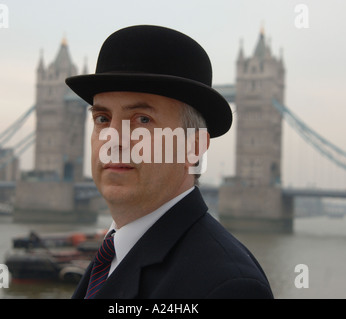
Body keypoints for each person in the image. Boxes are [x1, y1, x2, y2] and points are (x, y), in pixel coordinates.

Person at [65, 25, 273, 299]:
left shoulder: (228, 286)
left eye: (142, 120)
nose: (112, 140)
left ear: (194, 146)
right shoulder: (112, 255)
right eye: (102, 119)